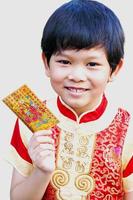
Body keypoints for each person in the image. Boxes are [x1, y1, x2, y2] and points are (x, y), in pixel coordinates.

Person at [8, 0, 133, 199]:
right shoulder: (31, 117)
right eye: (64, 61)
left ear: (115, 69)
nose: (76, 75)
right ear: (46, 63)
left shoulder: (128, 129)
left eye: (92, 64)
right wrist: (42, 171)